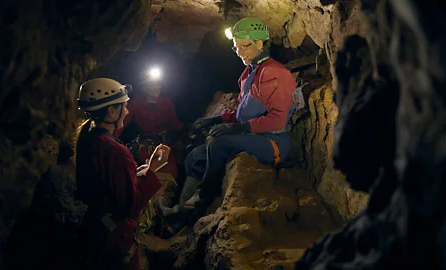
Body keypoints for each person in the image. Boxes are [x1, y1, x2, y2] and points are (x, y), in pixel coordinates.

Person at [181, 17, 298, 209]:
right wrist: (216, 119)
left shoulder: (274, 73)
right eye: (236, 48)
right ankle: (180, 210)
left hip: (272, 143)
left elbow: (278, 120)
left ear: (259, 44)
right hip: (251, 134)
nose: (240, 53)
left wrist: (237, 128)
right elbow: (243, 113)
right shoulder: (248, 74)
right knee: (195, 156)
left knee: (218, 142)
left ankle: (203, 198)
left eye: (244, 46)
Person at [75, 77, 170, 269]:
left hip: (95, 229)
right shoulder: (116, 151)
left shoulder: (87, 139)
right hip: (115, 238)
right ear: (111, 111)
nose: (126, 112)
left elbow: (105, 183)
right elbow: (130, 205)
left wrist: (135, 174)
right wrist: (151, 171)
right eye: (123, 106)